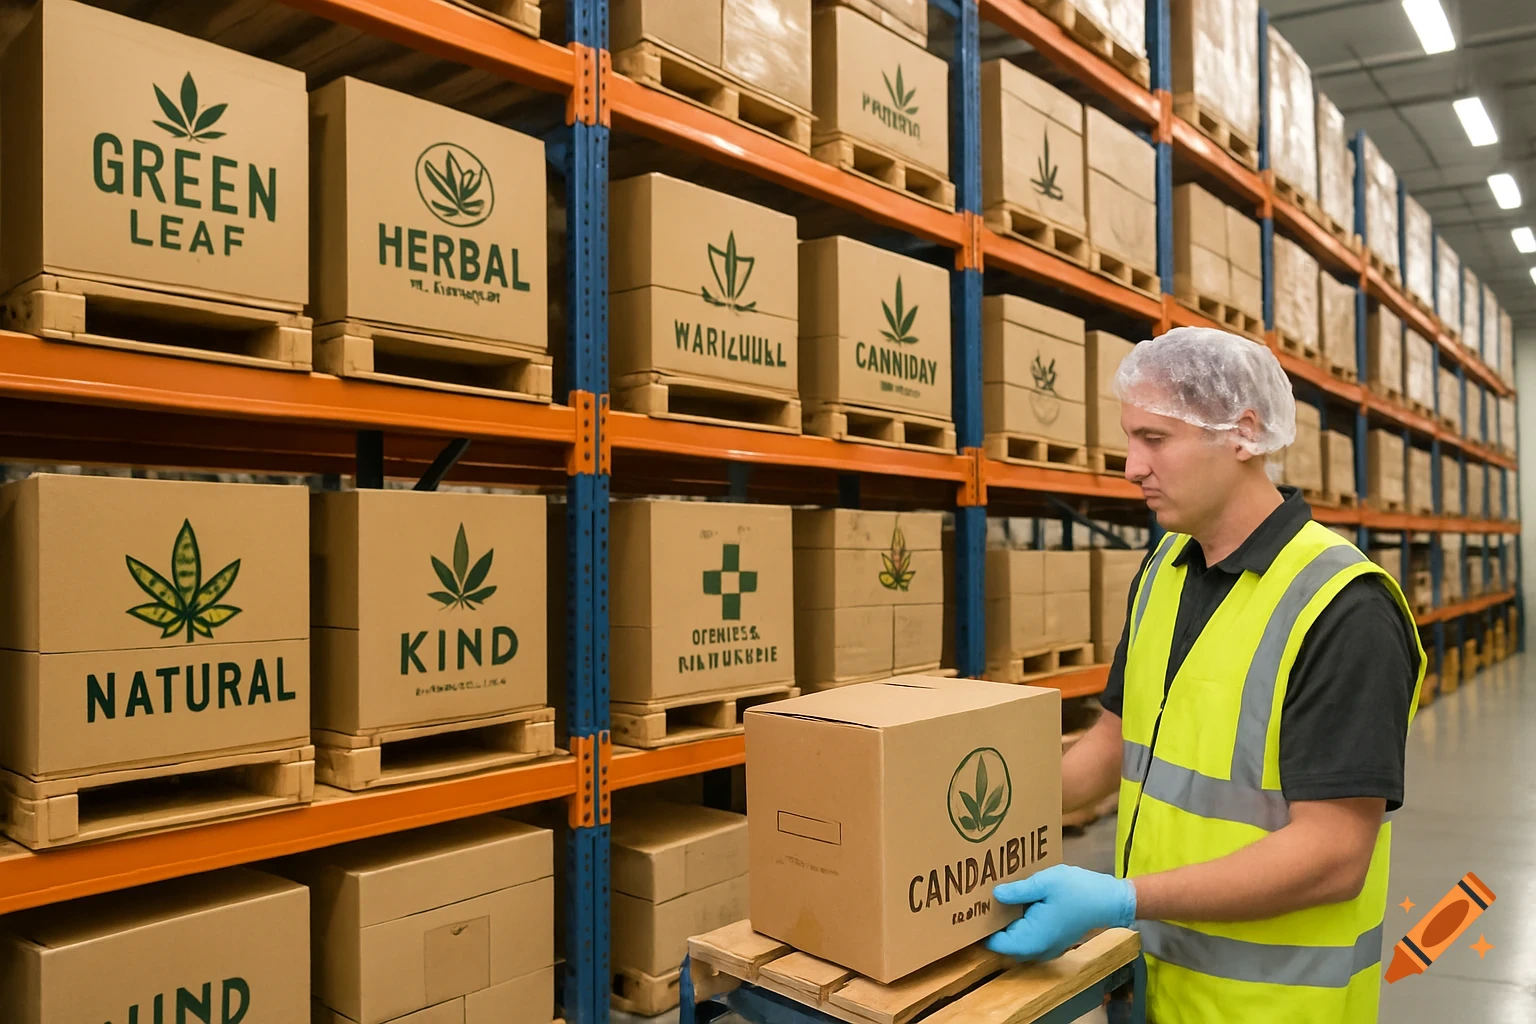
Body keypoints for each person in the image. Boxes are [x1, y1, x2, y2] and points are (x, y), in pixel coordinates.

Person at [986, 328, 1423, 1023]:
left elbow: (1336, 854)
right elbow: (1110, 746)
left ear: (1243, 434)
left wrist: (1122, 899)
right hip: (1149, 982)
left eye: (1154, 439)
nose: (1131, 467)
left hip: (1267, 1005)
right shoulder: (1165, 568)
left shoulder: (1343, 609)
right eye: (1130, 438)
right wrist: (966, 805)